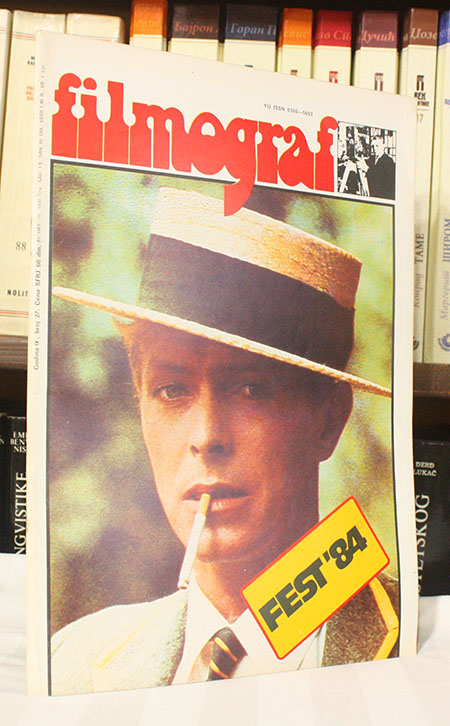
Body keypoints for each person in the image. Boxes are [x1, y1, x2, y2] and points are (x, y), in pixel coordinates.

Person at [50, 187, 398, 695]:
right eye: (171, 390)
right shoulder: (70, 663)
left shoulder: (420, 646)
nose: (206, 437)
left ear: (329, 419)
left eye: (250, 389)